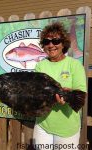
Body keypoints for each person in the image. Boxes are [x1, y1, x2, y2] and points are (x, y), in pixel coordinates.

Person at [33, 22, 87, 150]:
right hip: (43, 125)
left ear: (63, 44)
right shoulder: (40, 65)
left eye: (56, 41)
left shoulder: (74, 65)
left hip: (67, 129)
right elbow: (37, 90)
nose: (51, 45)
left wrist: (68, 96)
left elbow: (80, 93)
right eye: (46, 42)